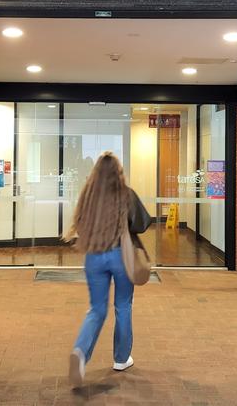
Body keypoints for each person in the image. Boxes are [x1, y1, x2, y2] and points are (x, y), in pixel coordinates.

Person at [63, 151, 151, 387]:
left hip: (94, 256)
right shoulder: (126, 194)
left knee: (96, 310)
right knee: (123, 306)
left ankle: (80, 353)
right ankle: (121, 359)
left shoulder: (88, 195)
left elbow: (80, 224)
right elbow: (143, 222)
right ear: (118, 173)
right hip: (120, 255)